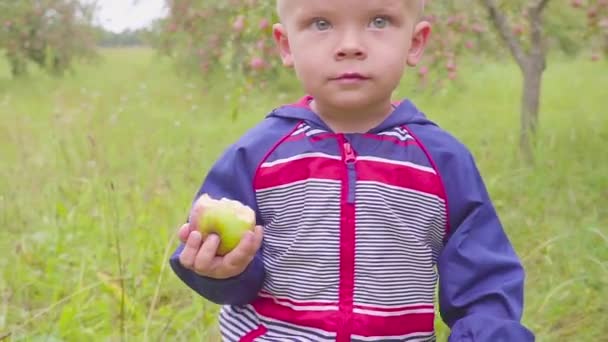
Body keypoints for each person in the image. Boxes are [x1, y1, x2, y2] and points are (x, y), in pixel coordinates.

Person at [169, 0, 535, 341]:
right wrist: (221, 269)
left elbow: (484, 283)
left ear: (415, 42)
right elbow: (224, 268)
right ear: (285, 45)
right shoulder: (257, 155)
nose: (350, 46)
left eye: (379, 21)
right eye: (321, 23)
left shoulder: (442, 161)